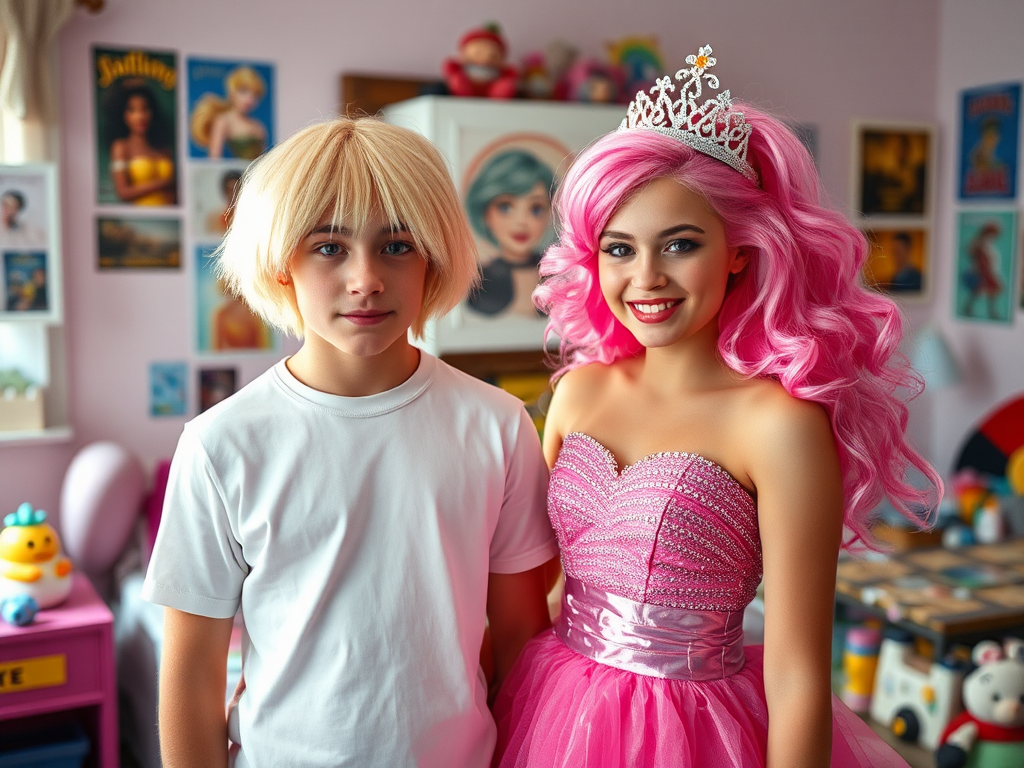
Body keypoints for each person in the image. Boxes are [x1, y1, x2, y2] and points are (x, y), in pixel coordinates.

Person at [492, 45, 941, 768]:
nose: (646, 278)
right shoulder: (577, 392)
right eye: (618, 249)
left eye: (679, 244)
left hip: (694, 732)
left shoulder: (779, 424)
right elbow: (540, 591)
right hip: (552, 708)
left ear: (739, 249)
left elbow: (797, 673)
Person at [142, 117, 558, 768]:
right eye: (330, 248)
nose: (365, 279)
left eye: (396, 246)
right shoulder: (220, 444)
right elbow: (191, 677)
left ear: (434, 259)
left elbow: (518, 639)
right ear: (282, 263)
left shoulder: (499, 426)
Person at [464, 149, 554, 317]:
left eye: (535, 209)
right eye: (505, 207)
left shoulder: (560, 277)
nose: (521, 221)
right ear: (484, 212)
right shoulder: (479, 283)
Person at [108, 82, 177, 206]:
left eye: (145, 109)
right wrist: (162, 183)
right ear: (124, 115)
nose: (140, 116)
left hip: (170, 218)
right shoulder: (121, 147)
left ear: (152, 112)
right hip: (142, 219)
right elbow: (123, 192)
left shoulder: (163, 150)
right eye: (132, 110)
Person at [190, 66, 269, 160]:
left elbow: (264, 162)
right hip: (233, 173)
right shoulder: (224, 121)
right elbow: (214, 158)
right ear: (232, 92)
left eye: (255, 95)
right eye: (243, 91)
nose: (249, 100)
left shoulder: (258, 127)